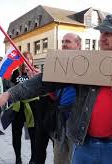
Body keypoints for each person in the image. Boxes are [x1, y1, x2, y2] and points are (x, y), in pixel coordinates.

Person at [0, 14, 112, 164]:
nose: (102, 37)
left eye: (109, 33)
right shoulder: (85, 62)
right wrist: (9, 94)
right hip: (83, 146)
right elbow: (44, 81)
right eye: (102, 32)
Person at [36, 33, 81, 164]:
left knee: (74, 160)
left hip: (77, 122)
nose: (64, 44)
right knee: (59, 159)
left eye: (68, 41)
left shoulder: (85, 64)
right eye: (62, 42)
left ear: (78, 45)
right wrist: (43, 82)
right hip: (60, 122)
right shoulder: (59, 64)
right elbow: (55, 95)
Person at [9, 51, 38, 164]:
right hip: (18, 106)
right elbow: (11, 89)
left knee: (34, 134)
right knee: (16, 133)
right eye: (25, 59)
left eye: (30, 59)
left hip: (33, 106)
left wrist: (32, 76)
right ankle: (18, 158)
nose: (27, 61)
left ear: (32, 60)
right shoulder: (16, 73)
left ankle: (33, 158)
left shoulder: (35, 72)